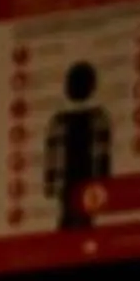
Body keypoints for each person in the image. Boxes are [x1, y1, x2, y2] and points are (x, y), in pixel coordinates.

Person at [44, 62, 114, 232]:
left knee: (80, 224)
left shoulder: (97, 119)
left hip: (82, 187)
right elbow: (52, 158)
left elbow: (102, 156)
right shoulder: (61, 121)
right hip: (73, 187)